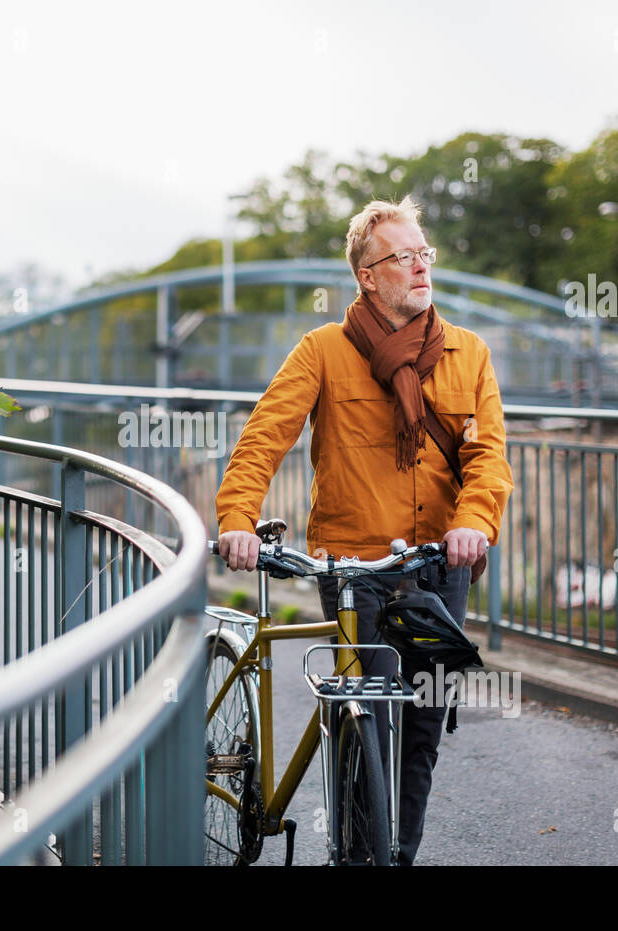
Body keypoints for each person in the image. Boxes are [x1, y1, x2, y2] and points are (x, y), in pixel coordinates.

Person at [214, 196, 513, 865]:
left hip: (439, 566)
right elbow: (265, 438)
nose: (418, 267)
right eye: (401, 258)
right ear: (368, 278)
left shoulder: (468, 353)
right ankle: (356, 858)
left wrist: (473, 522)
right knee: (365, 729)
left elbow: (486, 455)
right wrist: (237, 520)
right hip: (354, 573)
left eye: (423, 254)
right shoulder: (323, 351)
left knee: (424, 729)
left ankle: (395, 857)